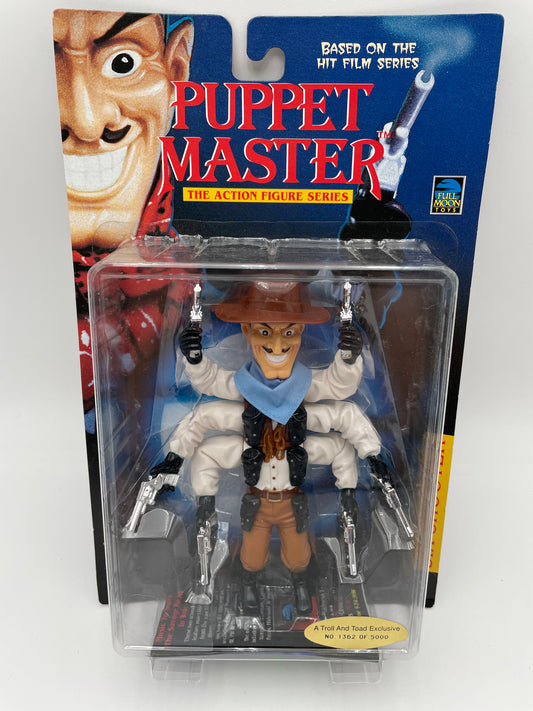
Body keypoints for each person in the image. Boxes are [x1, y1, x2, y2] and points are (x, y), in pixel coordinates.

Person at [153, 281, 387, 615]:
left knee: (299, 555)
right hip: (256, 500)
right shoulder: (243, 388)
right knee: (251, 555)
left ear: (300, 332)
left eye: (288, 333)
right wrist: (181, 468)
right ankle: (248, 585)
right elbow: (208, 396)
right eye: (265, 332)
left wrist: (349, 359)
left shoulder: (305, 389)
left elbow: (341, 398)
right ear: (247, 331)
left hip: (293, 500)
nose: (277, 345)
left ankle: (302, 585)